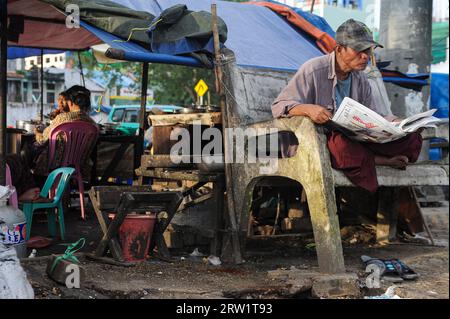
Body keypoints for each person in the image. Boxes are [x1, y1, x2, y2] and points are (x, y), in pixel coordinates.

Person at [271, 19, 423, 193]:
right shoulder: (313, 69)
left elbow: (374, 116)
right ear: (339, 49)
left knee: (412, 139)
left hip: (357, 139)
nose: (365, 56)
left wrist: (400, 123)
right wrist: (309, 109)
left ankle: (374, 157)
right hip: (321, 142)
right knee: (341, 146)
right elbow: (279, 106)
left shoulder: (361, 79)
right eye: (359, 49)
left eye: (368, 50)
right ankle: (381, 160)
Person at [33, 85, 97, 179]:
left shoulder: (62, 118)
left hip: (54, 165)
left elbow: (42, 141)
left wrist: (37, 133)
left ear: (70, 102)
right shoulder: (93, 124)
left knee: (28, 152)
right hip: (79, 167)